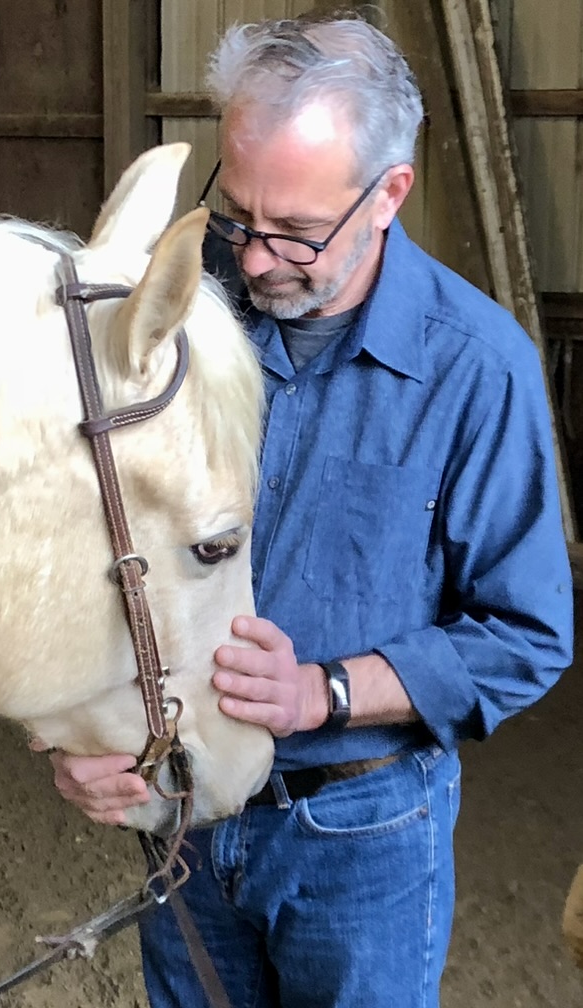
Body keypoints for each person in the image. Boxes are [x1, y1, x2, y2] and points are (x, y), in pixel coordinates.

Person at [47, 13, 574, 1008]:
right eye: (236, 216)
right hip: (188, 815)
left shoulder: (476, 367)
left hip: (361, 835)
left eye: (294, 233)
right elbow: (90, 546)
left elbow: (527, 636)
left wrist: (323, 693)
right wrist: (76, 734)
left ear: (389, 195)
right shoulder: (181, 318)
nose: (249, 264)